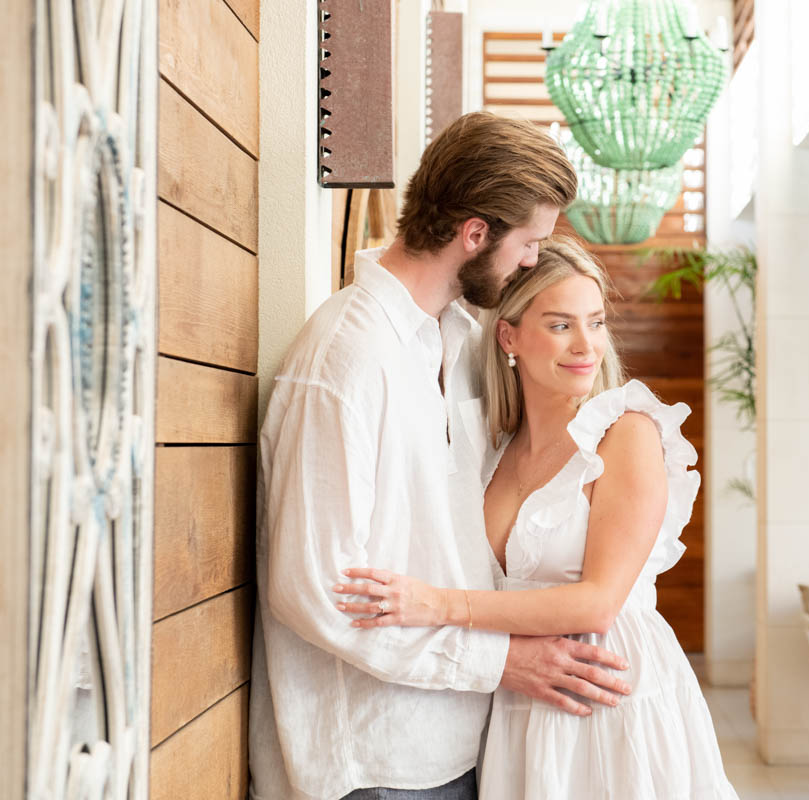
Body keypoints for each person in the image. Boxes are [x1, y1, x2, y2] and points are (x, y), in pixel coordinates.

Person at [250, 113, 634, 800]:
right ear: (475, 234)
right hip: (372, 763)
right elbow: (314, 592)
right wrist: (500, 662)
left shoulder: (455, 344)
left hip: (460, 742)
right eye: (529, 243)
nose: (529, 261)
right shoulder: (347, 358)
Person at [332, 237, 739, 799]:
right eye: (560, 325)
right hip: (517, 700)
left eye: (595, 323)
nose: (586, 345)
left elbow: (598, 601)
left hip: (608, 694)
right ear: (509, 336)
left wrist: (436, 604)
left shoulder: (629, 433)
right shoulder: (493, 453)